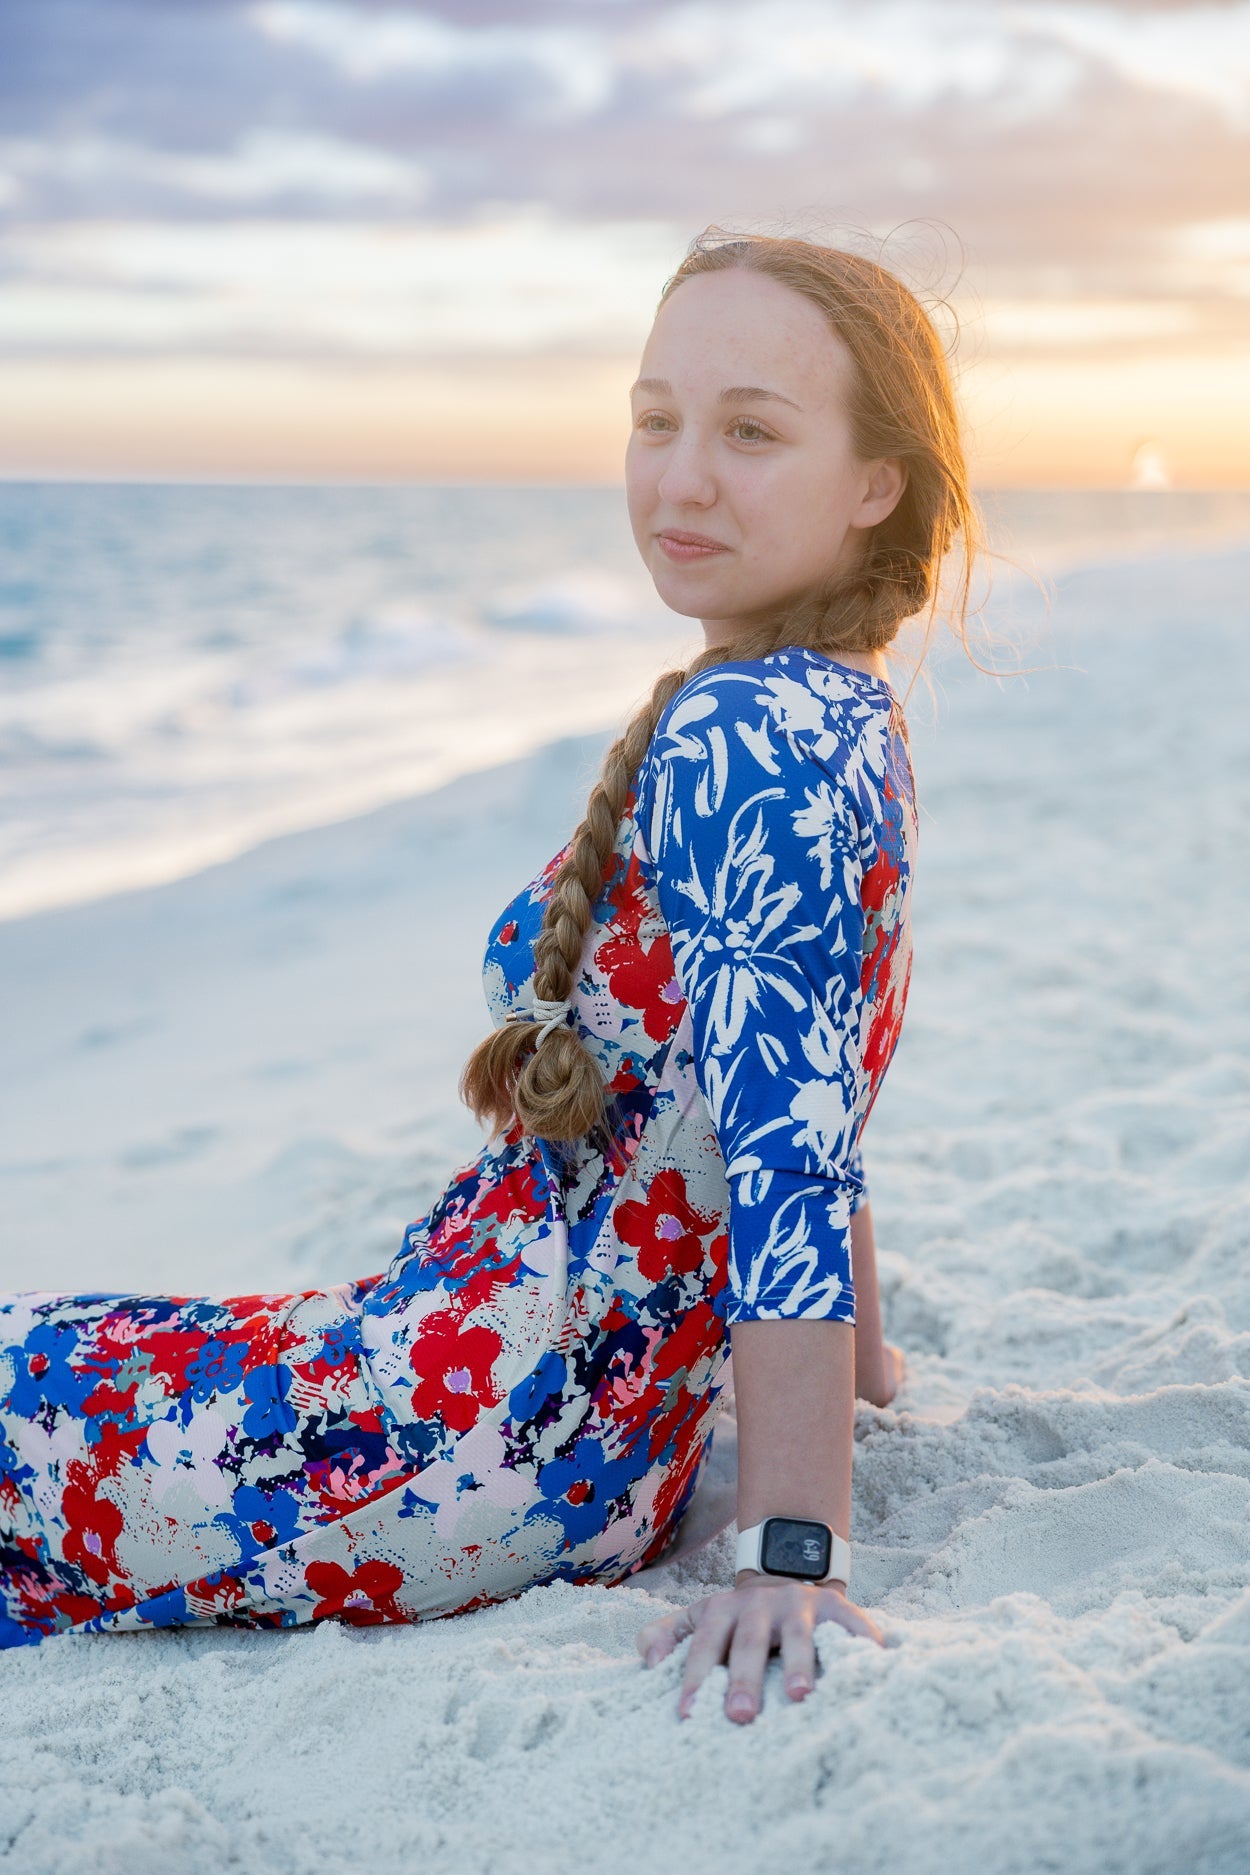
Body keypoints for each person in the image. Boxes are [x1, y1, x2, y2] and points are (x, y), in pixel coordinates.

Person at [0, 228, 977, 1727]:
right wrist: (863, 1368)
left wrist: (790, 1547)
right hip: (523, 1417)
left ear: (874, 484)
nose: (681, 477)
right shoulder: (838, 713)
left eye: (751, 432)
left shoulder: (740, 737)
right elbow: (814, 1085)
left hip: (467, 1438)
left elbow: (791, 1150)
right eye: (655, 421)